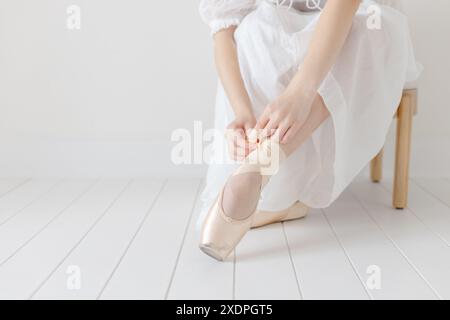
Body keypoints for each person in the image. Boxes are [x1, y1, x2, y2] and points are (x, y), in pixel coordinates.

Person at [197, 0, 422, 261]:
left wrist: (300, 92)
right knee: (253, 29)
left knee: (372, 28)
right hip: (290, 38)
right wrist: (242, 113)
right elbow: (224, 31)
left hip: (354, 28)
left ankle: (262, 165)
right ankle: (273, 185)